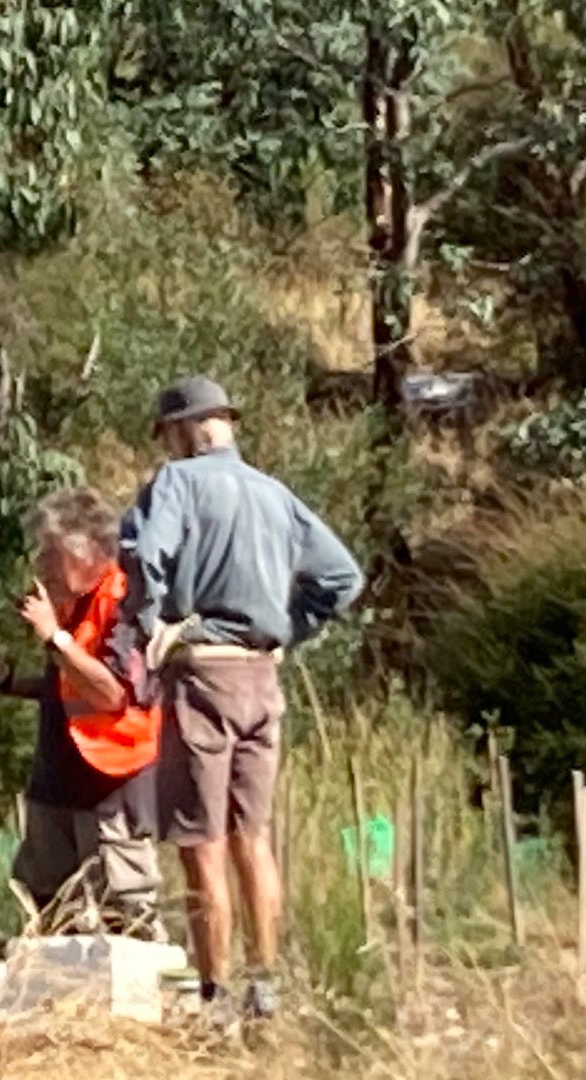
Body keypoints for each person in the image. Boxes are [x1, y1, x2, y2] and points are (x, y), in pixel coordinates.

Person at [122, 375, 364, 1022]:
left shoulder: (175, 484)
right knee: (251, 837)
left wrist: (149, 629)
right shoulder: (274, 493)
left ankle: (214, 994)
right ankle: (266, 985)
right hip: (262, 677)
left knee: (200, 842)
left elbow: (144, 556)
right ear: (224, 422)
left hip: (201, 675)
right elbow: (341, 577)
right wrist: (289, 631)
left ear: (182, 429)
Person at [0, 488, 165, 940]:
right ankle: (63, 1002)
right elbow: (69, 687)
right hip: (56, 779)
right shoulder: (72, 607)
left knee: (125, 908)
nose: (42, 565)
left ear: (86, 552)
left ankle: (131, 1004)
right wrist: (9, 682)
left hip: (110, 781)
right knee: (49, 904)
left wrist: (55, 639)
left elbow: (112, 694)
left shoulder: (124, 602)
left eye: (51, 553)